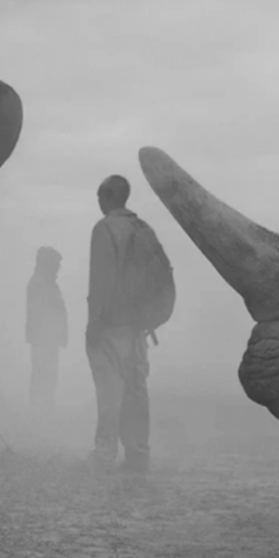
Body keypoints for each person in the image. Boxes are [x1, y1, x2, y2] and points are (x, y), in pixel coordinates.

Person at [87, 175, 174, 474]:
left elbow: (101, 282)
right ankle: (138, 454)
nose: (98, 202)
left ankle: (104, 454)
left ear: (108, 198)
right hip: (140, 326)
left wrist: (93, 325)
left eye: (100, 197)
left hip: (113, 325)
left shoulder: (104, 229)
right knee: (136, 392)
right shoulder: (143, 227)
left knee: (110, 392)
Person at [26, 246, 68, 409]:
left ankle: (43, 409)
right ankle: (41, 411)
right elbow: (44, 312)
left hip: (46, 338)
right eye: (56, 263)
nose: (58, 267)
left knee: (45, 374)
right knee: (44, 374)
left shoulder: (43, 282)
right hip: (44, 339)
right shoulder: (41, 283)